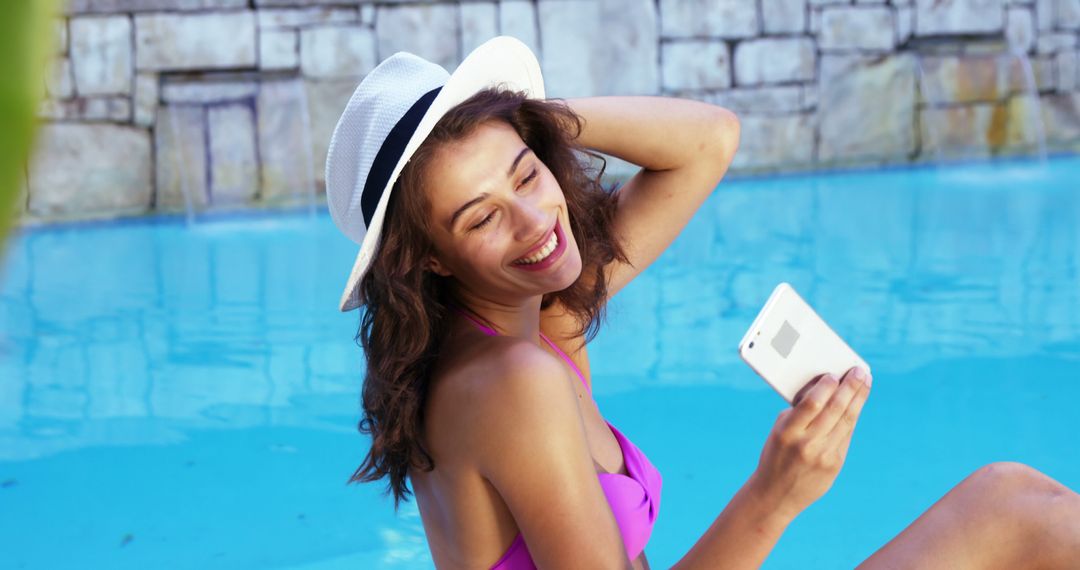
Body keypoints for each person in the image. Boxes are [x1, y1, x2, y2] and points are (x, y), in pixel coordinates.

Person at [324, 37, 1080, 569]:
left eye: (525, 174)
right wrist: (774, 496)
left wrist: (525, 113)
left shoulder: (538, 316)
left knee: (1013, 497)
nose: (535, 222)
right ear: (426, 256)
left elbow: (707, 143)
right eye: (481, 216)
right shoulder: (512, 382)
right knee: (1021, 522)